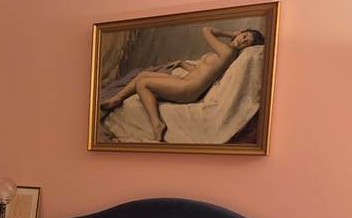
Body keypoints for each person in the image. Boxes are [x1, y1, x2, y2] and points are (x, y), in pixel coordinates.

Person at [99, 27, 263, 142]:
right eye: (244, 36)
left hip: (188, 90)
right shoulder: (225, 51)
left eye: (247, 41)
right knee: (142, 75)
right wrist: (182, 64)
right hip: (185, 82)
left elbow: (206, 30)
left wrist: (231, 34)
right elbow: (202, 70)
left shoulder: (228, 51)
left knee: (144, 84)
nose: (243, 40)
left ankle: (157, 124)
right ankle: (117, 98)